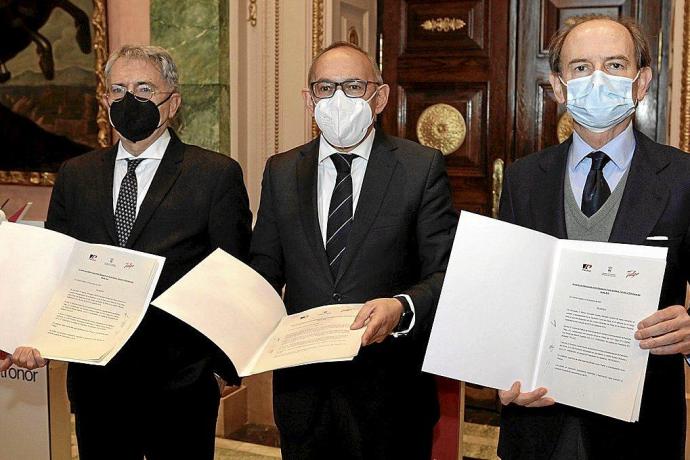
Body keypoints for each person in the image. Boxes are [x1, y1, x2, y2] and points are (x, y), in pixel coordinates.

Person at [0, 45, 252, 460]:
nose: (127, 100)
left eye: (143, 88)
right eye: (117, 89)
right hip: (97, 388)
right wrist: (31, 337)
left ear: (173, 103)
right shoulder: (76, 175)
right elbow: (55, 272)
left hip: (182, 387)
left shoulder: (214, 175)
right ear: (104, 101)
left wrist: (222, 371)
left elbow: (234, 276)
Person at [249, 41, 457, 459]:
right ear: (309, 100)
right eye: (326, 88)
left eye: (354, 87)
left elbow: (446, 272)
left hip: (391, 394)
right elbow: (265, 269)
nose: (338, 99)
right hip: (304, 397)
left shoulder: (421, 167)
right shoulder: (281, 170)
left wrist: (401, 306)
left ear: (379, 97)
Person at [497, 15, 690, 459]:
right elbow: (506, 300)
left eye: (615, 65)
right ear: (559, 86)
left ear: (641, 82)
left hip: (639, 433)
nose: (598, 80)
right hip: (537, 425)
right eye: (581, 68)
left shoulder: (683, 178)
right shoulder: (524, 179)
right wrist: (501, 375)